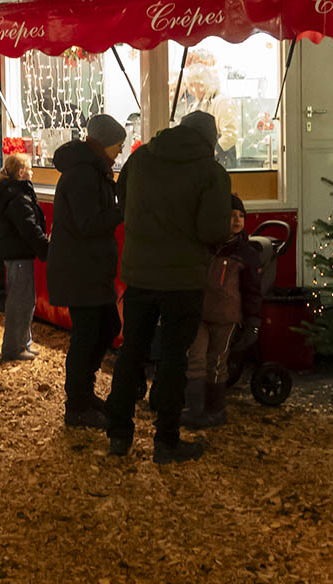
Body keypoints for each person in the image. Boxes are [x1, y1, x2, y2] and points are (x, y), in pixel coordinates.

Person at [107, 111, 231, 464]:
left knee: (131, 351)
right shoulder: (211, 172)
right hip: (183, 279)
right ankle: (166, 440)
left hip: (140, 273)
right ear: (210, 138)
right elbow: (214, 231)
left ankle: (118, 433)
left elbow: (122, 199)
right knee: (174, 357)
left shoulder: (141, 157)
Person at [46, 115, 127, 429]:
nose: (120, 151)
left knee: (105, 327)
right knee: (88, 336)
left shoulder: (93, 170)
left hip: (88, 268)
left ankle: (83, 394)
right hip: (80, 269)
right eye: (118, 144)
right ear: (105, 143)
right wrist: (122, 211)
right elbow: (88, 224)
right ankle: (77, 404)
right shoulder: (84, 174)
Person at [182, 195, 263, 429]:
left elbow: (251, 291)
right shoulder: (205, 247)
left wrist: (253, 320)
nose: (237, 220)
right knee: (196, 359)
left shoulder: (246, 254)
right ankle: (195, 409)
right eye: (231, 215)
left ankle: (216, 410)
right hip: (200, 314)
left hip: (226, 318)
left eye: (241, 216)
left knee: (216, 362)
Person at [0, 153, 48, 362]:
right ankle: (14, 348)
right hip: (19, 254)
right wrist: (45, 248)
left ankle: (22, 343)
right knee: (20, 302)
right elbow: (28, 228)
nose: (32, 172)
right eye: (29, 169)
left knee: (22, 300)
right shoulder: (18, 197)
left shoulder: (11, 194)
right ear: (21, 173)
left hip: (15, 253)